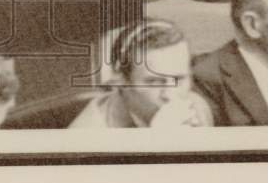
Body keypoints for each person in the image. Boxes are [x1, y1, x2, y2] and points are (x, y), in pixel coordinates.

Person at [69, 19, 214, 128]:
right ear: (121, 81)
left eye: (179, 79)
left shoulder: (198, 107)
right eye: (154, 82)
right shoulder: (86, 138)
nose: (170, 95)